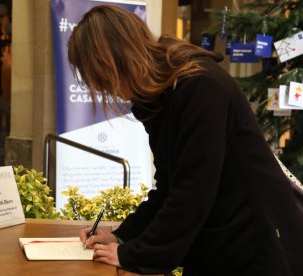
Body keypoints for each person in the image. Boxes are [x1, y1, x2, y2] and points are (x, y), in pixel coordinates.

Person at [68, 5, 303, 276]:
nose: (105, 90)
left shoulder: (200, 88)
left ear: (118, 59)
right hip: (221, 244)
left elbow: (194, 191)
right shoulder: (160, 97)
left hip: (255, 245)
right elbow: (169, 187)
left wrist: (134, 254)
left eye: (102, 79)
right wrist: (123, 236)